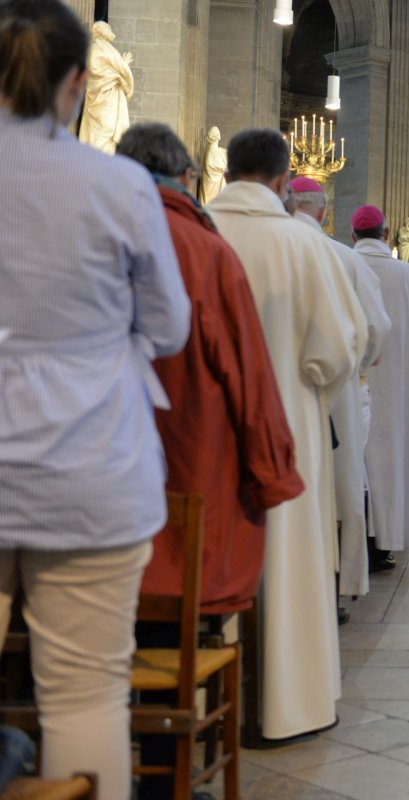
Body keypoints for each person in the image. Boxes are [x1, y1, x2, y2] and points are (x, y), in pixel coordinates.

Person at [0, 3, 190, 795]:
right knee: (84, 696)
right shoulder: (118, 185)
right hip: (88, 461)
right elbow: (170, 326)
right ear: (81, 83)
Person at [117, 121, 305, 800]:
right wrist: (271, 475)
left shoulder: (81, 238)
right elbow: (250, 379)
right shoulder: (204, 252)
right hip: (183, 498)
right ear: (190, 177)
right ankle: (167, 776)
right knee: (177, 630)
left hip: (79, 502)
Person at [207, 128, 368, 743]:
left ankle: (203, 700)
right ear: (282, 181)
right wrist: (307, 397)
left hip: (199, 438)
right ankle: (283, 704)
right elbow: (337, 350)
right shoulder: (304, 247)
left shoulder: (197, 231)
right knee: (285, 559)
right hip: (287, 430)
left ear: (224, 177)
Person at [290, 177, 391, 600]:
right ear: (325, 213)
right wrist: (358, 365)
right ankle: (332, 587)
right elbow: (375, 327)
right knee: (333, 485)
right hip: (329, 391)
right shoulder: (341, 256)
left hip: (262, 392)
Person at [352, 205, 409, 559]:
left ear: (353, 235)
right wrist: (403, 354)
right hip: (395, 386)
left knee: (355, 458)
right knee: (388, 459)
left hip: (351, 381)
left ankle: (353, 543)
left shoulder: (344, 264)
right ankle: (384, 543)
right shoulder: (405, 274)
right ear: (387, 235)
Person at [77, 21, 133, 154]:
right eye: (108, 28)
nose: (110, 29)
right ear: (101, 31)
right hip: (102, 99)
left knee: (108, 134)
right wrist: (122, 68)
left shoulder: (105, 49)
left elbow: (115, 69)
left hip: (109, 98)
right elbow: (98, 71)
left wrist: (121, 67)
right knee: (103, 131)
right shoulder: (97, 49)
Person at [199, 126, 226, 205]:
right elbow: (210, 166)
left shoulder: (212, 148)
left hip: (213, 181)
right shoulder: (211, 149)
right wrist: (223, 168)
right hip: (212, 183)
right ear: (217, 137)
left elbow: (219, 152)